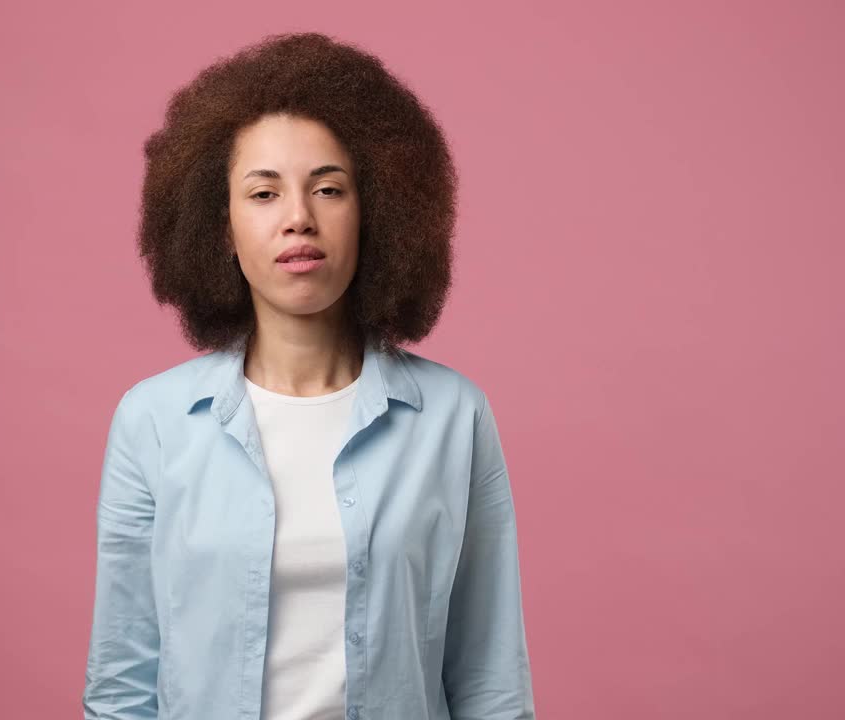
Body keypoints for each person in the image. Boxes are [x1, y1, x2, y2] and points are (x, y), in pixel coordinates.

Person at [83, 31, 536, 720]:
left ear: (375, 212)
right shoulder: (152, 422)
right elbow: (121, 685)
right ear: (220, 228)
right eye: (263, 194)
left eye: (328, 189)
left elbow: (490, 681)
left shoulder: (454, 417)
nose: (298, 218)